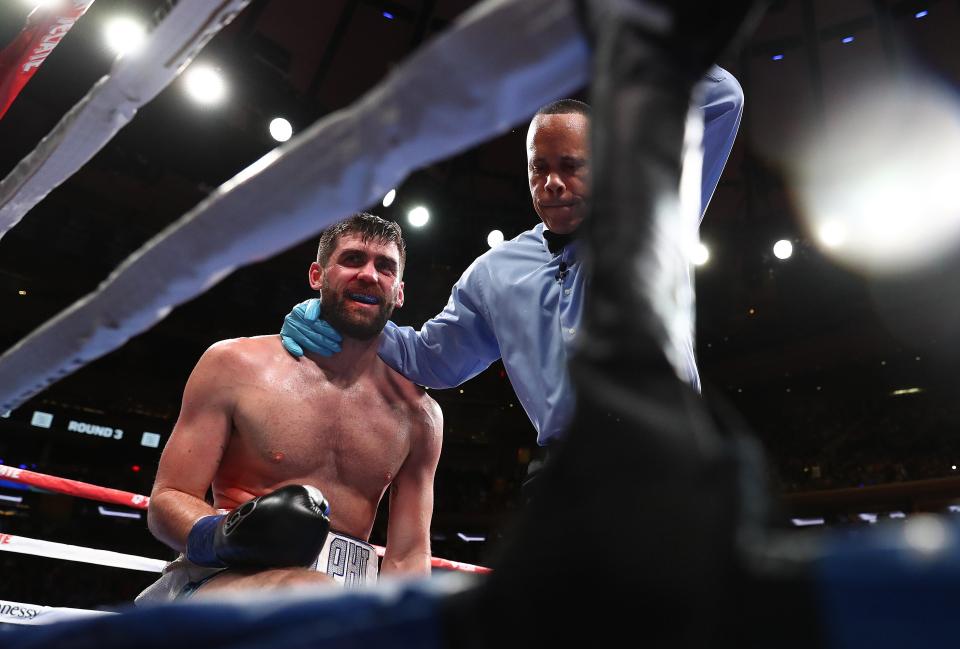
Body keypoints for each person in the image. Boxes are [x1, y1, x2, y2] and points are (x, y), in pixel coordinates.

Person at [279, 68, 743, 452]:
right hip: (564, 472)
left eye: (572, 166)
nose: (553, 183)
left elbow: (722, 98)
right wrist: (343, 316)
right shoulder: (494, 271)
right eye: (540, 168)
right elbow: (432, 359)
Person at [137, 213, 443, 602]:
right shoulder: (234, 365)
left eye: (385, 267)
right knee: (309, 593)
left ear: (398, 292)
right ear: (317, 276)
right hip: (223, 580)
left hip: (339, 604)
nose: (369, 275)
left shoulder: (420, 414)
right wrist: (226, 535)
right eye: (352, 260)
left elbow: (409, 554)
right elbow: (167, 499)